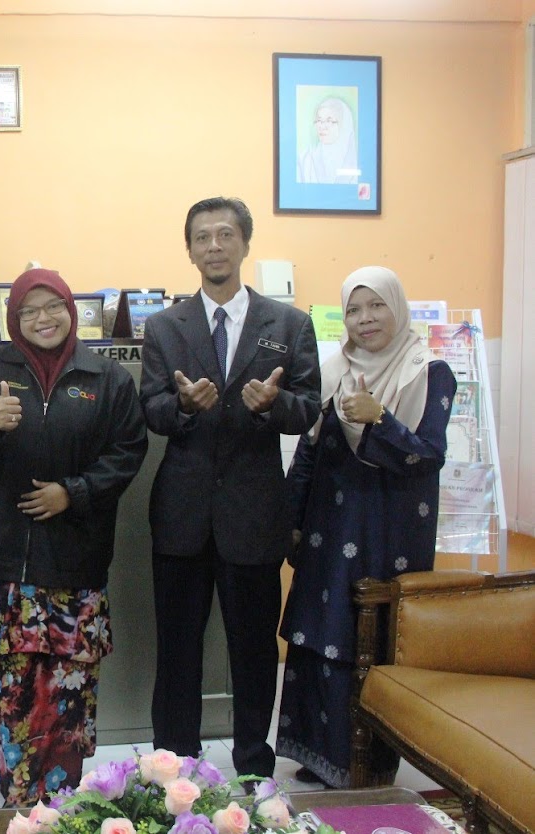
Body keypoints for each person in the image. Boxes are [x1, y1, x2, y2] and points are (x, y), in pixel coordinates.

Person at [0, 268, 148, 806]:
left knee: (69, 694)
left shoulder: (106, 377)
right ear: (14, 318)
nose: (43, 319)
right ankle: (19, 801)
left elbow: (128, 451)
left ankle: (64, 803)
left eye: (53, 306)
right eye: (29, 311)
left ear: (70, 310)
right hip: (6, 563)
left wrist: (73, 493)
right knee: (14, 691)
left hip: (75, 560)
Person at [139, 197, 321, 780]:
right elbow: (151, 410)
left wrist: (274, 405)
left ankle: (252, 768)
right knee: (178, 651)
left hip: (255, 513)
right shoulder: (164, 326)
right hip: (182, 513)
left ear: (244, 243)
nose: (214, 246)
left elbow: (308, 408)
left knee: (254, 651)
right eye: (202, 237)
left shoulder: (288, 324)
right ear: (189, 250)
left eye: (224, 235)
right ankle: (175, 768)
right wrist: (182, 406)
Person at [277, 266, 455, 788]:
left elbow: (428, 456)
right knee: (317, 635)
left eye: (376, 306)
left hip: (387, 533)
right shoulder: (334, 370)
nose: (365, 319)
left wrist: (380, 418)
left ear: (396, 308)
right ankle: (316, 753)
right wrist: (291, 521)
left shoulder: (428, 372)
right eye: (353, 310)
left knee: (366, 640)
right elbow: (309, 452)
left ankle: (366, 766)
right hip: (327, 530)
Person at [297, 97, 358, 185]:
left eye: (329, 121)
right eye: (319, 120)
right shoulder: (305, 160)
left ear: (343, 125)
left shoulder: (354, 163)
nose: (322, 126)